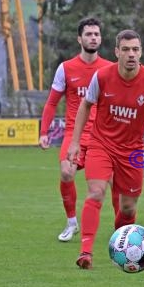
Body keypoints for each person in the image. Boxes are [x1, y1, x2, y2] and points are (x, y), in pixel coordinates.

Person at [67, 29, 144, 269]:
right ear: (117, 52)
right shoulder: (102, 77)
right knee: (96, 192)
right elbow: (85, 106)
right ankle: (85, 252)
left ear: (141, 52)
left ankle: (121, 245)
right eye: (125, 49)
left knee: (128, 208)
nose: (131, 54)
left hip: (133, 152)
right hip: (101, 144)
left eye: (135, 49)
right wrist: (74, 142)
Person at [39, 17, 116, 242]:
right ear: (79, 38)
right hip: (74, 134)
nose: (93, 38)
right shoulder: (66, 68)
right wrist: (44, 132)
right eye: (89, 34)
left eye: (96, 34)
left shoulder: (109, 69)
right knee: (66, 172)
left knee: (115, 182)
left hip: (102, 137)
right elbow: (52, 102)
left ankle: (121, 228)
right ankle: (72, 222)